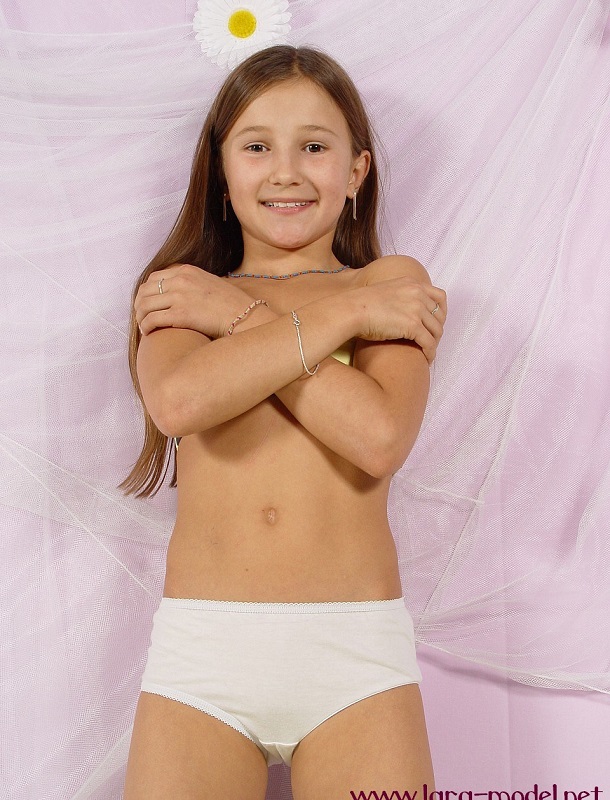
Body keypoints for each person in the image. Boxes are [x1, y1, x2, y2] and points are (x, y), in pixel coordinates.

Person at [121, 44, 446, 800]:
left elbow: (377, 438)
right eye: (257, 146)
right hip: (203, 656)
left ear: (357, 171)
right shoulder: (181, 292)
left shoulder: (390, 283)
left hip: (356, 656)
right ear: (220, 169)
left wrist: (238, 317)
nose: (287, 171)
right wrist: (346, 318)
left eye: (315, 147)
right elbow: (181, 403)